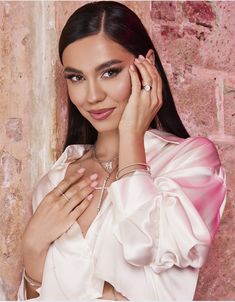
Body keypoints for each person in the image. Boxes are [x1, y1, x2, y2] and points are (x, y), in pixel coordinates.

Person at [18, 1, 226, 301]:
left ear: (147, 65)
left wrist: (131, 135)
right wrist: (33, 248)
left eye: (110, 72)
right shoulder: (58, 181)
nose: (92, 96)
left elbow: (151, 246)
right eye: (76, 77)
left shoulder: (191, 163)